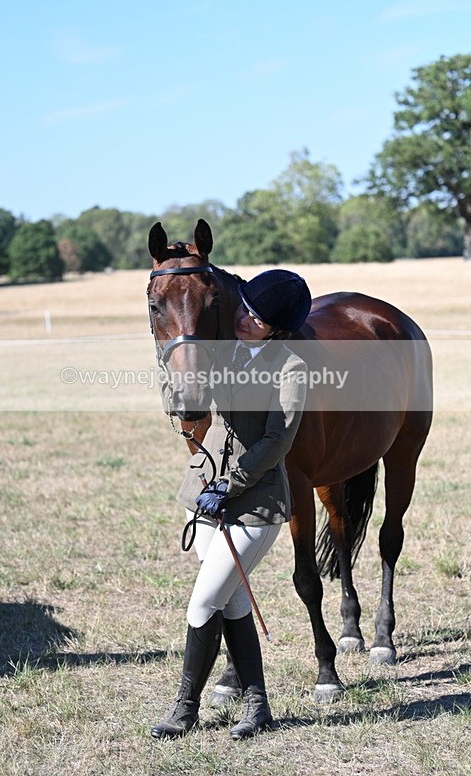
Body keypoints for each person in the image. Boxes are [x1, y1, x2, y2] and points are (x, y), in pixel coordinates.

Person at [151, 269, 311, 741]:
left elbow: (277, 439)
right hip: (200, 492)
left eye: (258, 319)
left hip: (253, 500)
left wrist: (232, 484)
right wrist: (171, 367)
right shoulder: (219, 349)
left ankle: (185, 709)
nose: (245, 319)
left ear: (277, 330)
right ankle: (257, 703)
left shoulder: (291, 368)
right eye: (244, 307)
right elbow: (184, 400)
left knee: (204, 602)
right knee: (233, 599)